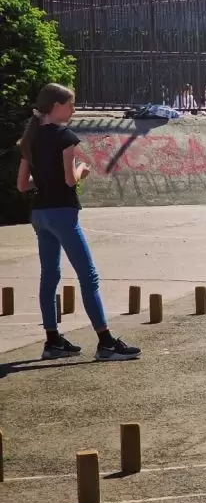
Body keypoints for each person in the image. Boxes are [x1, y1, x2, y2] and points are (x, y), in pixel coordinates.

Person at [15, 84, 142, 362]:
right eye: (71, 105)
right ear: (56, 106)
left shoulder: (30, 139)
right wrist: (82, 170)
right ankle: (106, 343)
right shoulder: (65, 136)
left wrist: (47, 180)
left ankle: (52, 341)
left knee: (49, 277)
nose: (73, 110)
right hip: (63, 213)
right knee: (88, 276)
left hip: (40, 215)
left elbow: (23, 185)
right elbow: (69, 180)